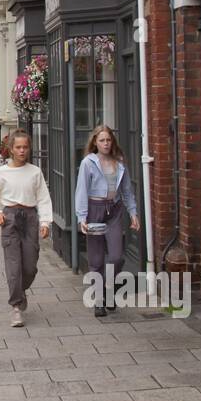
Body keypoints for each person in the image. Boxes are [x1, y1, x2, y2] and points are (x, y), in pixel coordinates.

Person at [0, 130, 52, 328]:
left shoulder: (35, 172)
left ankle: (20, 293)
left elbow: (43, 198)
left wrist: (45, 222)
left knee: (30, 267)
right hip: (10, 219)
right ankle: (16, 308)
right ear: (11, 149)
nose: (22, 151)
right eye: (18, 147)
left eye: (25, 147)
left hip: (30, 219)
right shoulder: (2, 173)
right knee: (14, 267)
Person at [75, 125, 141, 317]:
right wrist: (82, 217)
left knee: (116, 257)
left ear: (112, 142)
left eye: (108, 140)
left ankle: (108, 290)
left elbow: (127, 190)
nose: (105, 143)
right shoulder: (89, 162)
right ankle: (99, 300)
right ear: (95, 142)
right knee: (95, 260)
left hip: (114, 210)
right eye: (102, 140)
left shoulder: (119, 162)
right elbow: (81, 191)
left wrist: (133, 213)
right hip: (94, 210)